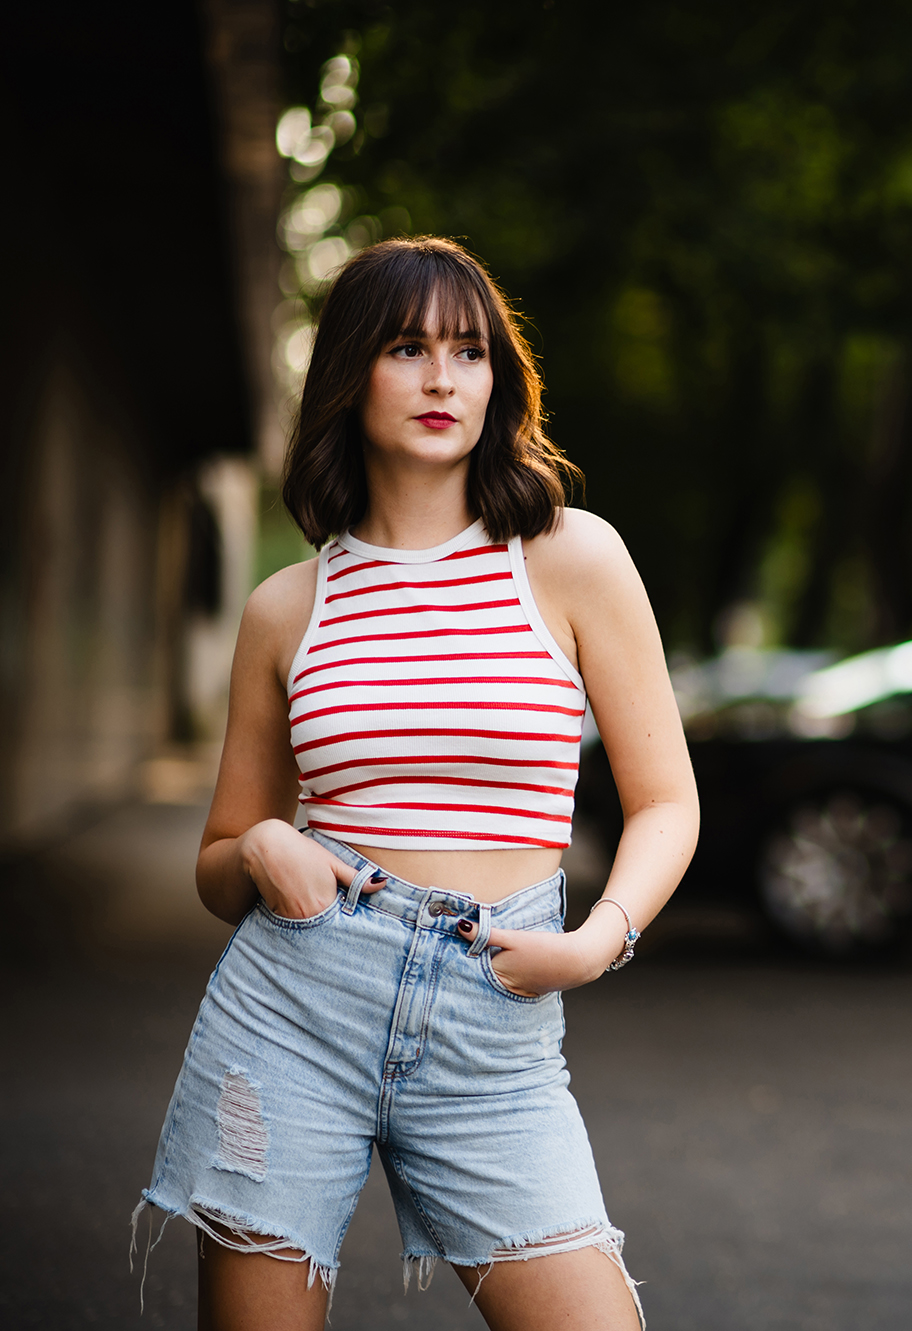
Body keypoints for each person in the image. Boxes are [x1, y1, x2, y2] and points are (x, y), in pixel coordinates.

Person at [132, 236, 697, 1330]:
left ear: (499, 380)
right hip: (294, 1011)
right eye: (407, 347)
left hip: (497, 1029)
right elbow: (219, 859)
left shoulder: (571, 559)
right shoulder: (288, 608)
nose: (444, 377)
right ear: (351, 373)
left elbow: (666, 799)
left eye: (469, 351)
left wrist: (597, 939)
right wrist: (259, 846)